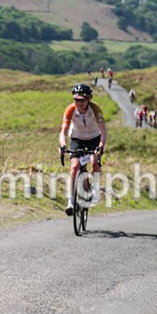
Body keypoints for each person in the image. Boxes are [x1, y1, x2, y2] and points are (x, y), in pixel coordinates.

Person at [59, 83, 107, 215]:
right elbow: (63, 132)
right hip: (77, 139)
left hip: (94, 138)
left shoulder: (95, 109)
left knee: (94, 162)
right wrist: (63, 145)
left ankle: (95, 188)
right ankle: (70, 202)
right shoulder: (70, 109)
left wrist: (101, 146)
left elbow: (103, 131)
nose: (79, 103)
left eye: (82, 100)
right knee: (74, 167)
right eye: (76, 100)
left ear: (89, 99)